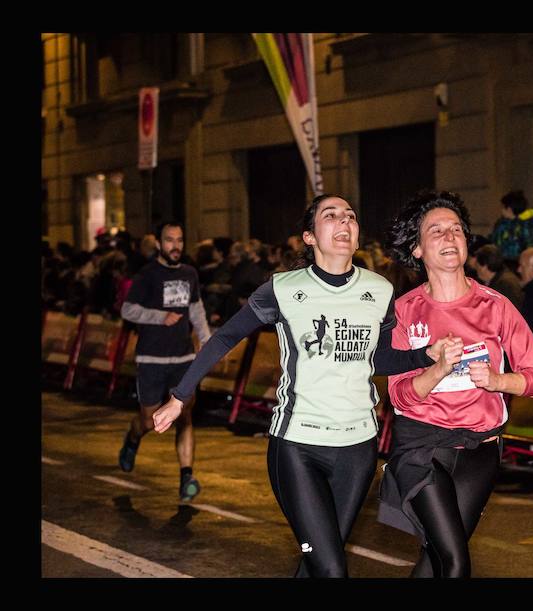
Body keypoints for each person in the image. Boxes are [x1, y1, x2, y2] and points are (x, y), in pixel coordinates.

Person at [152, 194, 455, 578]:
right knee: (331, 570)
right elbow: (225, 338)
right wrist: (180, 396)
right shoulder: (281, 289)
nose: (343, 221)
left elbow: (376, 359)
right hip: (298, 446)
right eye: (331, 216)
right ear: (310, 237)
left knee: (318, 568)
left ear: (358, 236)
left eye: (350, 216)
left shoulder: (379, 291)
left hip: (358, 448)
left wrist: (425, 356)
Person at [381, 190, 533, 578]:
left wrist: (497, 379)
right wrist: (437, 368)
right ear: (418, 249)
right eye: (436, 230)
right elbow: (400, 395)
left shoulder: (496, 305)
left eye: (456, 229)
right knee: (456, 564)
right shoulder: (404, 312)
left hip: (480, 449)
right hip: (422, 447)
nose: (449, 236)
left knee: (436, 558)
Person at [117, 221, 211, 503]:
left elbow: (196, 308)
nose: (175, 246)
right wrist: (160, 316)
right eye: (169, 240)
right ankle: (133, 438)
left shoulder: (189, 273)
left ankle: (187, 478)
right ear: (159, 243)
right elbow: (127, 309)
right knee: (149, 420)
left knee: (184, 416)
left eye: (180, 240)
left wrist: (207, 340)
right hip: (151, 358)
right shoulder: (147, 274)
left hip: (183, 357)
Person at [489, 190, 533, 267]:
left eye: (502, 207)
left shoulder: (525, 225)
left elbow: (530, 244)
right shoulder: (501, 224)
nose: (501, 210)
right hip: (501, 263)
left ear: (509, 209)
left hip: (518, 264)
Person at [471, 244, 524, 310]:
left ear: (484, 266)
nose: (476, 269)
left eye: (477, 265)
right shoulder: (501, 278)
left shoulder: (506, 285)